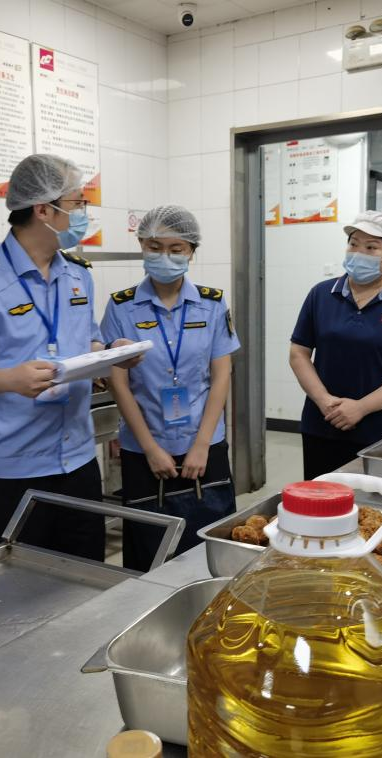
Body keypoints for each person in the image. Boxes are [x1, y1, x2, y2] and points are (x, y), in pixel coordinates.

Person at [0, 154, 139, 559]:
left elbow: (86, 342)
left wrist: (110, 353)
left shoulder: (77, 274)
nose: (83, 215)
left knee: (85, 580)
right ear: (44, 210)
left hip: (77, 461)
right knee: (11, 589)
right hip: (11, 471)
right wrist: (10, 379)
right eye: (77, 203)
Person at [102, 205, 240, 571]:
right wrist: (150, 449)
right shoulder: (121, 307)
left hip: (204, 444)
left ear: (191, 251)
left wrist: (201, 445)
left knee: (209, 545)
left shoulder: (212, 303)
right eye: (155, 247)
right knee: (148, 550)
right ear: (142, 246)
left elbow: (221, 376)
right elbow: (118, 382)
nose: (165, 256)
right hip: (144, 448)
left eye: (176, 249)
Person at [289, 210, 382, 480]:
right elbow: (299, 354)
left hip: (378, 431)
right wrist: (324, 401)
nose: (359, 253)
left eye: (371, 247)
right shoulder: (321, 294)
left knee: (372, 501)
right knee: (322, 497)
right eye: (353, 244)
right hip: (322, 423)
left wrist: (361, 407)